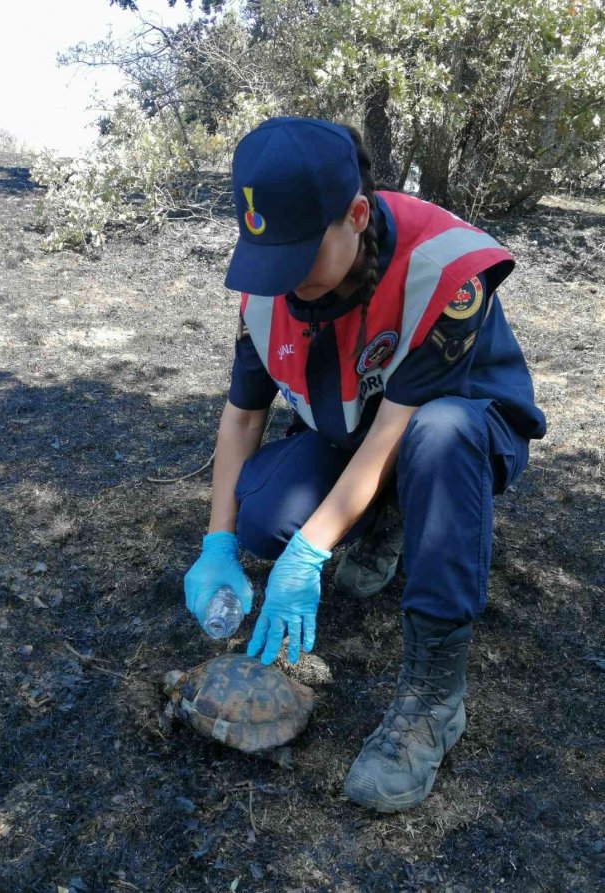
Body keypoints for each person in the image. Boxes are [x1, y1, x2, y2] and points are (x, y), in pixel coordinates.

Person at [183, 116, 547, 813]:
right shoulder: (270, 282)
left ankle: (434, 696)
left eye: (300, 255)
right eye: (272, 257)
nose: (285, 281)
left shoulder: (446, 271)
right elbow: (244, 415)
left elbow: (395, 430)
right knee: (262, 515)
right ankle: (382, 521)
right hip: (354, 429)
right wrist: (217, 543)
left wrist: (309, 555)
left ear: (355, 215)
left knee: (440, 434)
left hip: (459, 430)